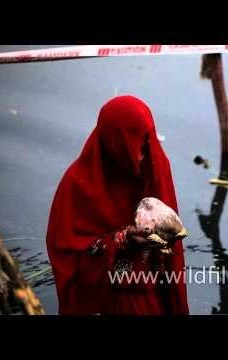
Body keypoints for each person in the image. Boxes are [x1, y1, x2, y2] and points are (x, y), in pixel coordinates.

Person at [46, 95, 188, 315]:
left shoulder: (154, 166)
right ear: (114, 143)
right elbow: (67, 254)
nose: (142, 156)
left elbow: (173, 252)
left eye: (146, 145)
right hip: (106, 297)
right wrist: (121, 240)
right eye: (134, 148)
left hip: (148, 292)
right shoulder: (77, 185)